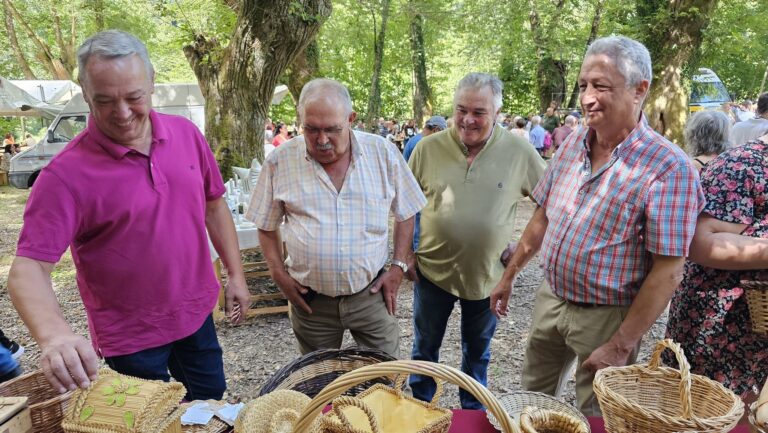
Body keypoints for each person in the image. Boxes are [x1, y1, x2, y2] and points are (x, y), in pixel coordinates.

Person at [7, 30, 249, 400]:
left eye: (134, 97)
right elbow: (28, 269)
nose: (122, 113)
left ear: (152, 83)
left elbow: (214, 205)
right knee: (148, 420)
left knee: (210, 404)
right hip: (130, 337)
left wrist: (236, 274)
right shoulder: (64, 176)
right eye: (104, 101)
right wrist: (54, 335)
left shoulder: (187, 134)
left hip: (196, 313)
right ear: (85, 95)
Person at [490, 35, 704, 416]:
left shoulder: (670, 167)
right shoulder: (574, 142)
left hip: (607, 316)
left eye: (600, 86)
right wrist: (509, 275)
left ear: (640, 89)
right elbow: (542, 216)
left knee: (598, 414)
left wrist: (621, 344)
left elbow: (669, 271)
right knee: (530, 402)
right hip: (551, 298)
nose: (587, 97)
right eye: (584, 85)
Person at [247, 78, 426, 358]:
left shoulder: (382, 153)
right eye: (312, 129)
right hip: (311, 302)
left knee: (386, 377)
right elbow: (265, 225)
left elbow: (408, 210)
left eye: (332, 129)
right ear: (300, 121)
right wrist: (277, 273)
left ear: (351, 119)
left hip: (371, 295)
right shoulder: (279, 161)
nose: (322, 140)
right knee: (318, 383)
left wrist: (398, 266)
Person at [408, 73, 546, 409]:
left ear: (497, 112)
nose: (468, 119)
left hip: (488, 278)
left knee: (477, 353)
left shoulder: (519, 152)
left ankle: (472, 415)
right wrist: (405, 255)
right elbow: (404, 204)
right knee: (424, 348)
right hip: (431, 272)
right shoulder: (427, 148)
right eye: (461, 109)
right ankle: (420, 411)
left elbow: (552, 204)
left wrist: (521, 253)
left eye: (479, 112)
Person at [664, 132, 768, 404]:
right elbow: (700, 242)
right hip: (721, 336)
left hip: (757, 338)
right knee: (710, 414)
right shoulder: (742, 165)